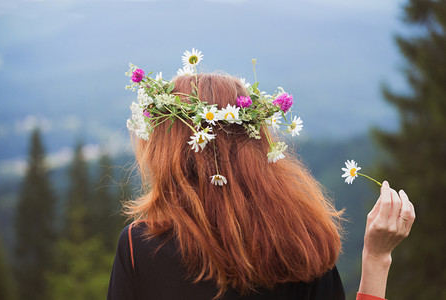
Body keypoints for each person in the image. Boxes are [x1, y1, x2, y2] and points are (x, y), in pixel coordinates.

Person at [107, 73, 415, 300]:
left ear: (168, 152)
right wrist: (376, 259)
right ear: (254, 146)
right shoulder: (302, 241)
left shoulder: (140, 246)